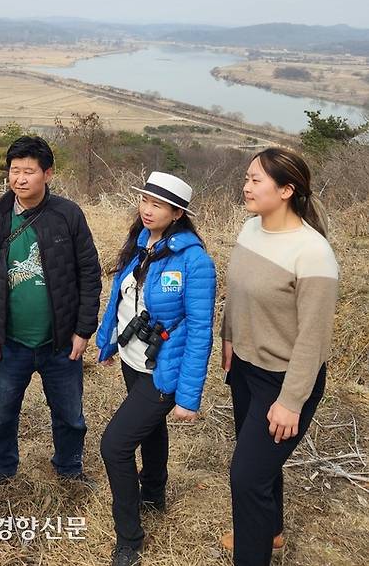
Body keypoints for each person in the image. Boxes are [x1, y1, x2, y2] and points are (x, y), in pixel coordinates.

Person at [220, 148, 339, 566]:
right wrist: (230, 337)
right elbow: (238, 293)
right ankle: (271, 533)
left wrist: (291, 402)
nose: (247, 186)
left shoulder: (312, 252)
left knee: (247, 477)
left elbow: (314, 338)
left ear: (287, 190)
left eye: (257, 180)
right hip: (247, 368)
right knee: (260, 466)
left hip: (285, 380)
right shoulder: (251, 229)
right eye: (247, 177)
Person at [0, 135, 102, 482]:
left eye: (29, 171)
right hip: (9, 343)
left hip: (60, 344)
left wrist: (83, 331)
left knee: (70, 416)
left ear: (48, 174)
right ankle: (2, 470)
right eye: (14, 171)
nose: (20, 179)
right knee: (1, 414)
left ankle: (69, 469)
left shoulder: (67, 215)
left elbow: (89, 273)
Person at [97, 172, 216, 566]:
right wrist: (108, 340)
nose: (147, 209)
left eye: (158, 205)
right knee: (150, 428)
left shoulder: (195, 261)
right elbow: (121, 296)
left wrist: (187, 397)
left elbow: (200, 331)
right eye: (145, 200)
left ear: (179, 213)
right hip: (134, 359)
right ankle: (154, 493)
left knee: (114, 445)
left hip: (165, 369)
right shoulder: (142, 242)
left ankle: (129, 538)